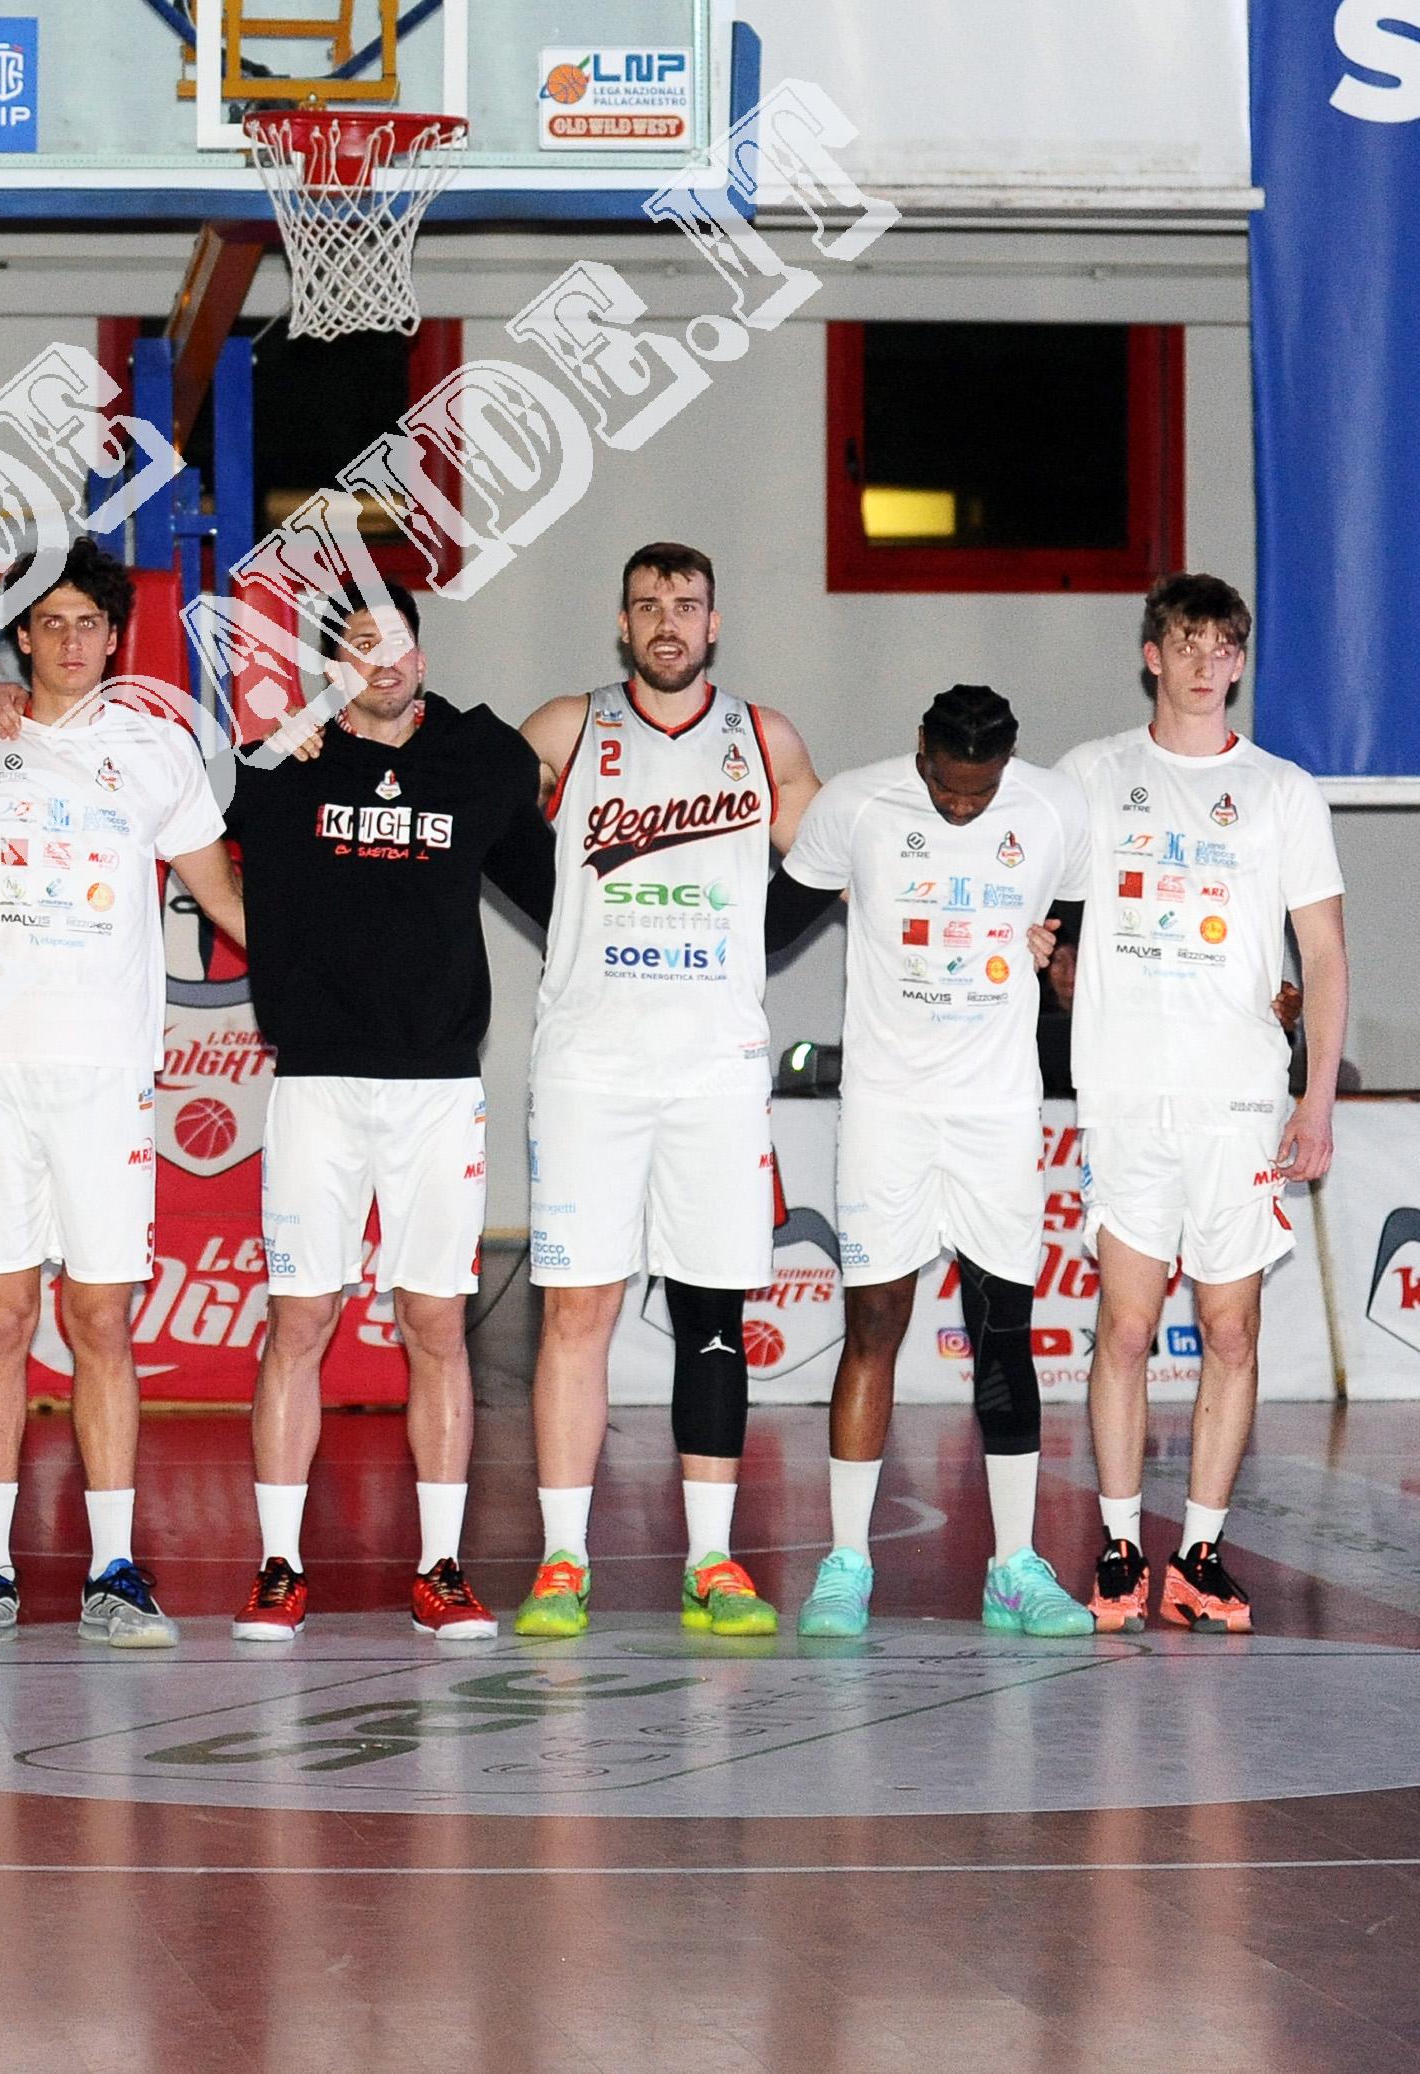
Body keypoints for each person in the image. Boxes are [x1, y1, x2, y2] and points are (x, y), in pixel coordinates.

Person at [0, 536, 247, 1650]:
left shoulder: (159, 749)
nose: (72, 640)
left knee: (99, 1320)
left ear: (114, 635)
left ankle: (114, 1571)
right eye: (51, 623)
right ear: (21, 637)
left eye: (90, 622)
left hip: (103, 1077)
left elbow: (220, 894)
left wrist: (329, 981)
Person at [214, 582, 547, 1642]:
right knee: (299, 1319)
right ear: (333, 666)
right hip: (317, 1081)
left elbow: (561, 893)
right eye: (362, 643)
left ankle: (441, 1568)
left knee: (435, 1322)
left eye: (400, 640)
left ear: (422, 654)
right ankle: (278, 1565)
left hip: (438, 1085)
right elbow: (163, 808)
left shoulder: (478, 758)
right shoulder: (280, 763)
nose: (386, 659)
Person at [511, 542, 821, 1639]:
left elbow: (839, 859)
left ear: (713, 623)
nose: (667, 623)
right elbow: (468, 807)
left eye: (685, 605)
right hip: (589, 1065)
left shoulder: (764, 738)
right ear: (622, 622)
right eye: (647, 605)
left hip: (713, 1070)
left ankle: (710, 1561)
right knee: (577, 1311)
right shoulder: (568, 727)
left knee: (712, 1311)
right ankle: (561, 1559)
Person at [1057, 575, 1346, 1633]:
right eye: (1184, 641)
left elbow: (1323, 954)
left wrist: (1315, 1098)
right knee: (1126, 1327)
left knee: (1229, 1332)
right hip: (1128, 1098)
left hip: (1237, 1104)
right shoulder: (1092, 775)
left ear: (1239, 661)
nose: (1201, 662)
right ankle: (1120, 1546)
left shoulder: (1282, 791)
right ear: (1152, 653)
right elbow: (1015, 880)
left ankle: (1202, 1555)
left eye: (1221, 646)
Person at [780, 685, 1095, 1638]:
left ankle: (1013, 1566)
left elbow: (1085, 920)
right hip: (888, 1109)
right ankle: (845, 1562)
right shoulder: (856, 804)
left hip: (996, 1112)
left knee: (1003, 1330)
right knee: (873, 1321)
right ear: (919, 748)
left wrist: (1056, 944)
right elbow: (770, 922)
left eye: (979, 791)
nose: (960, 806)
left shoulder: (1052, 808)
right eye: (946, 788)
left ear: (1008, 764)